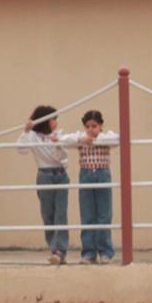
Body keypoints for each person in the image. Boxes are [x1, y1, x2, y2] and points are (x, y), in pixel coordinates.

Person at [59, 110, 119, 264]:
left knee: (104, 215)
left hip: (102, 174)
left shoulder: (106, 137)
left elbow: (116, 139)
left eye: (94, 126)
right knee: (87, 215)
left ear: (101, 126)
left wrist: (96, 140)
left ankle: (105, 252)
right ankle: (89, 253)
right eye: (88, 126)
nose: (91, 129)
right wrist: (82, 139)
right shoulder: (81, 138)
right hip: (85, 175)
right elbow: (63, 140)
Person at [17, 105, 70, 265]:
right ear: (46, 120)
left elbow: (64, 160)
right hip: (44, 175)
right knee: (48, 215)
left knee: (61, 213)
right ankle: (53, 250)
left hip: (60, 174)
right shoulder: (33, 136)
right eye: (54, 119)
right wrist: (26, 131)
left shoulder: (59, 134)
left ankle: (60, 251)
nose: (56, 121)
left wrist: (58, 144)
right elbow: (21, 149)